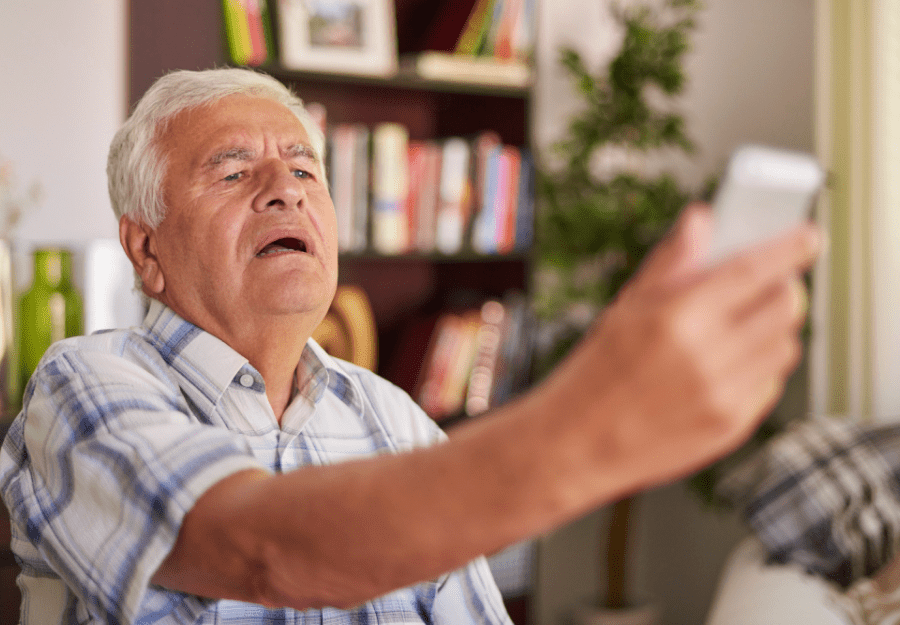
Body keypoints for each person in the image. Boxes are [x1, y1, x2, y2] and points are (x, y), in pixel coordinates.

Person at [0, 67, 820, 624]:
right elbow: (259, 550)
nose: (283, 186)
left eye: (304, 168)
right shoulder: (83, 384)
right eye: (232, 171)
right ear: (146, 250)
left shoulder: (392, 419)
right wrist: (590, 423)